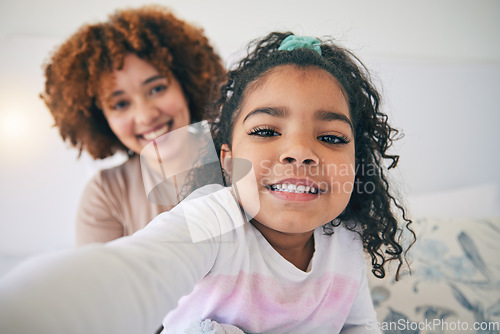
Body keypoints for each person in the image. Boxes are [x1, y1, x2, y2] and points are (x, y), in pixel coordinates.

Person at [0, 32, 414, 333]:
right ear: (227, 162)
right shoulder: (213, 215)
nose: (300, 151)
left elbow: (359, 325)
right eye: (267, 131)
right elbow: (134, 272)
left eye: (331, 138)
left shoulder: (345, 239)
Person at [41, 5, 226, 245]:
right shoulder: (106, 194)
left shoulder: (245, 159)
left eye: (157, 88)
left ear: (186, 86)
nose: (145, 116)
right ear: (100, 118)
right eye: (120, 104)